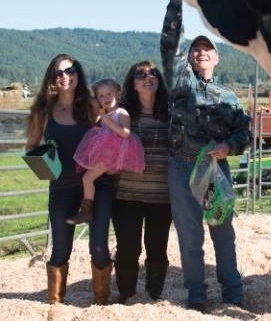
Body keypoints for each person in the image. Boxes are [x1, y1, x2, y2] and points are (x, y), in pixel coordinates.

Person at [161, 0, 252, 312]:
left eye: (207, 49)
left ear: (216, 58)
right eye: (196, 49)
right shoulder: (180, 84)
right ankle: (197, 295)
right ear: (190, 58)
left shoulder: (228, 96)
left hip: (215, 169)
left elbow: (245, 133)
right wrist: (175, 0)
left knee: (223, 236)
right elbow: (171, 42)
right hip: (181, 166)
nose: (200, 52)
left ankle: (233, 294)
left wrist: (230, 147)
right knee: (189, 238)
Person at [25, 54, 114, 305]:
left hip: (97, 186)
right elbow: (31, 146)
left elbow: (111, 135)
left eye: (70, 70)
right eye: (59, 72)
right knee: (60, 249)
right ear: (52, 78)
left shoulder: (92, 106)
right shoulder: (43, 111)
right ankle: (54, 304)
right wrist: (45, 164)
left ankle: (101, 302)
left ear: (78, 73)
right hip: (61, 187)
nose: (65, 76)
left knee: (98, 248)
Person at [112, 61, 173, 303]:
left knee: (157, 248)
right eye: (141, 74)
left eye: (153, 73)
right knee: (128, 248)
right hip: (126, 193)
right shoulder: (122, 114)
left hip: (162, 195)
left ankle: (154, 293)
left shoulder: (171, 113)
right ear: (132, 83)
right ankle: (126, 294)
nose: (148, 77)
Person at [68, 78, 145, 225]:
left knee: (87, 178)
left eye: (109, 94)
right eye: (101, 96)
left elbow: (125, 133)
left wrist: (108, 122)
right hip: (106, 154)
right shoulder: (104, 114)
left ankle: (86, 212)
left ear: (118, 94)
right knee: (87, 178)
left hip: (112, 155)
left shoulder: (121, 112)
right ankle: (86, 210)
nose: (105, 98)